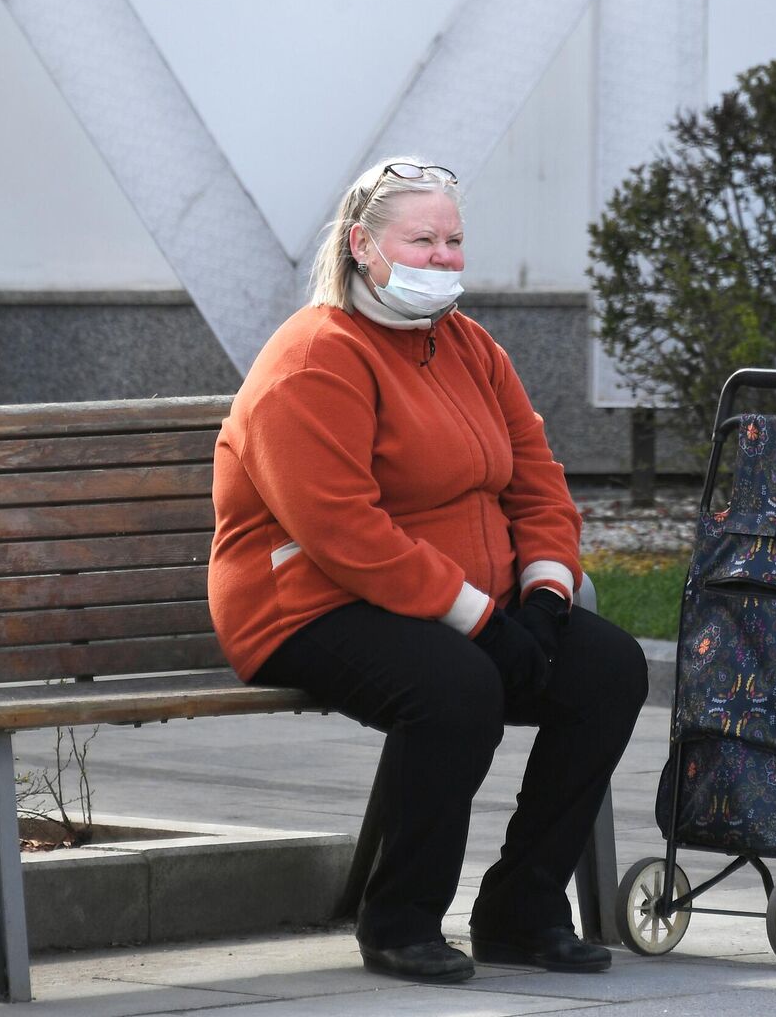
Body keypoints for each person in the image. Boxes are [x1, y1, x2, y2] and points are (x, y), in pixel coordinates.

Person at [209, 158, 648, 984]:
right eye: (422, 239)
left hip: (446, 604)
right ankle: (400, 919)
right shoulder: (315, 357)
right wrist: (482, 619)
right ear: (362, 246)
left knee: (608, 669)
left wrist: (546, 595)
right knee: (457, 689)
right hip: (305, 606)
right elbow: (343, 533)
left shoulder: (470, 347)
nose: (443, 257)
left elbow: (537, 480)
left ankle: (521, 909)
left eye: (454, 240)